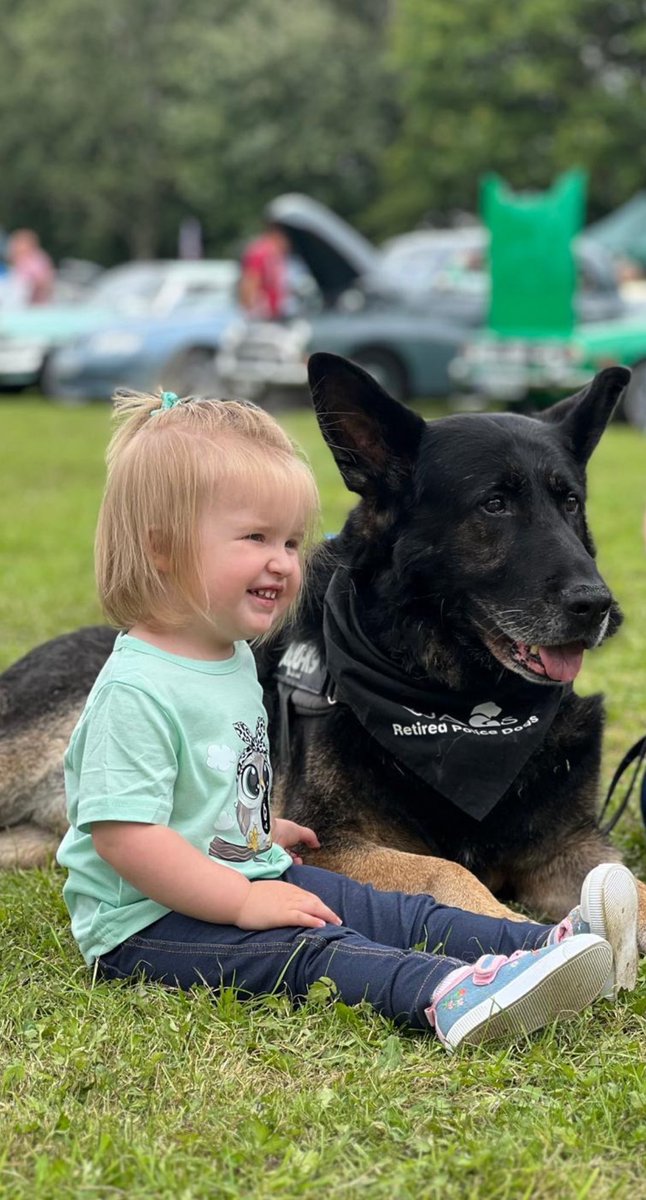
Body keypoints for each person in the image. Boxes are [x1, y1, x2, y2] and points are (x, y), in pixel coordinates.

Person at [56, 388, 640, 1052]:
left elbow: (219, 783)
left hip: (233, 866)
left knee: (399, 908)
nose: (284, 560)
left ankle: (555, 945)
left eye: (292, 541)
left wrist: (249, 826)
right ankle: (445, 992)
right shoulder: (137, 687)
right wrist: (245, 901)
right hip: (151, 924)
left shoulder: (227, 665)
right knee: (314, 946)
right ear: (163, 551)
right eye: (256, 539)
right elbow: (124, 837)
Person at [238, 221, 290, 320]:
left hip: (272, 314)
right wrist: (251, 310)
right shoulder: (260, 253)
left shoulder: (275, 254)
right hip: (262, 314)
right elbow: (250, 280)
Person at [6, 228, 55, 305]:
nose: (14, 247)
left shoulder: (35, 260)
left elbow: (43, 281)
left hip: (36, 302)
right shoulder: (20, 261)